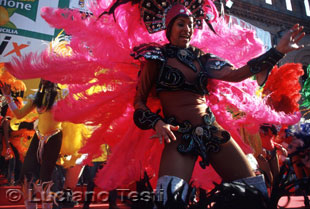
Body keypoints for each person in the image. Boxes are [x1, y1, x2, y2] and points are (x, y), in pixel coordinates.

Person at [129, 1, 305, 204]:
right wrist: (157, 123)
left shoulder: (202, 58)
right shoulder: (155, 57)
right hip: (179, 136)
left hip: (212, 131)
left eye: (191, 24)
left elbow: (237, 74)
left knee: (252, 194)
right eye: (181, 24)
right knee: (169, 200)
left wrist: (277, 52)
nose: (187, 29)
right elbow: (139, 102)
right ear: (169, 27)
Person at [0, 79, 65, 209]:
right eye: (42, 76)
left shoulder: (62, 95)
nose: (44, 79)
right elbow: (19, 114)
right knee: (26, 175)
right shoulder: (37, 96)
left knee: (46, 178)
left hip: (54, 137)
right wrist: (8, 96)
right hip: (38, 137)